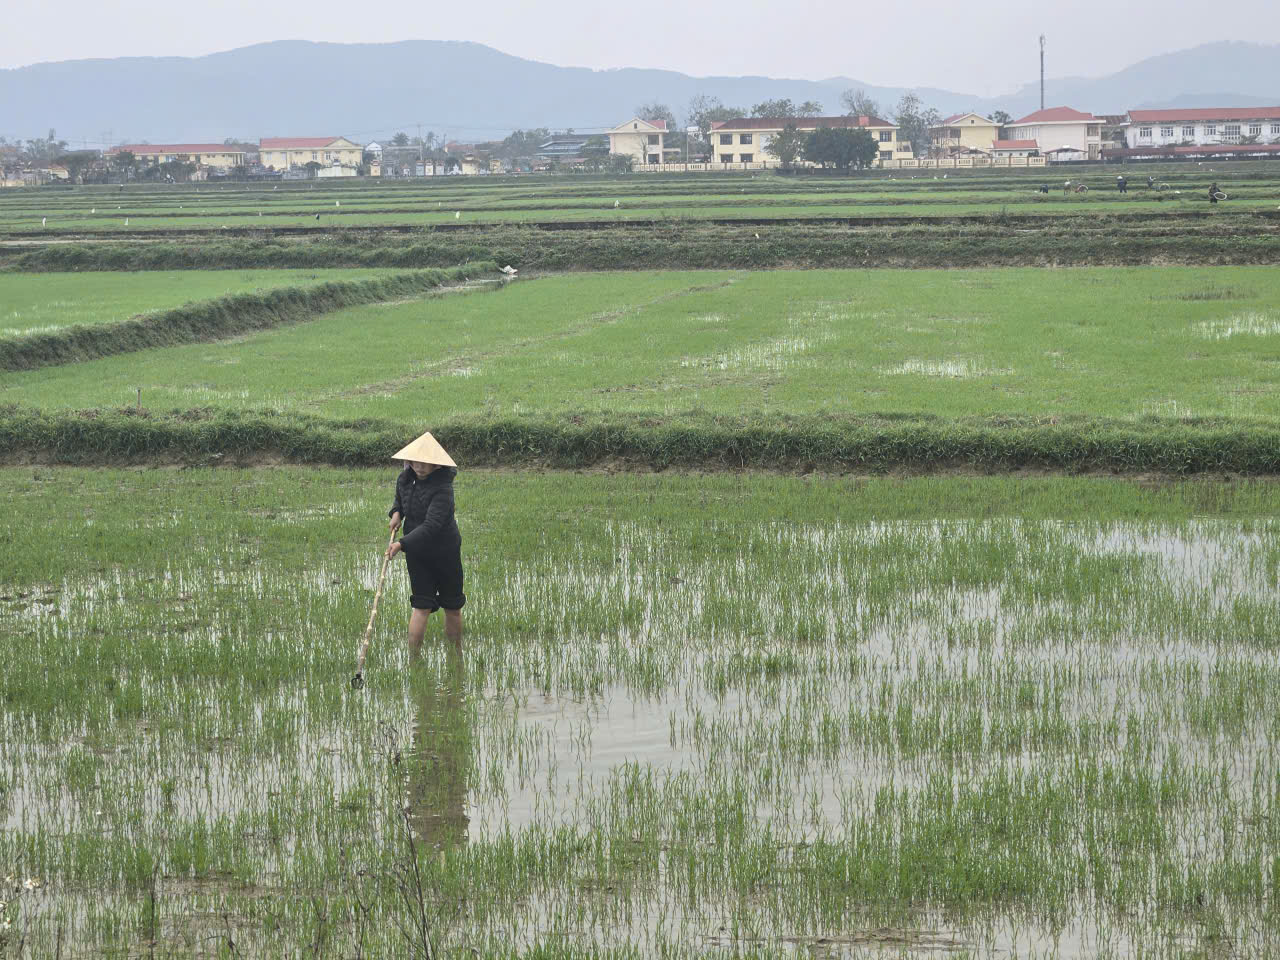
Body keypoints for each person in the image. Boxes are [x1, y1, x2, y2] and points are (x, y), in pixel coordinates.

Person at [386, 431, 465, 656]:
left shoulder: (443, 488)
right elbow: (400, 500)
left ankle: (455, 655)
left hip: (445, 552)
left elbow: (432, 526)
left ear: (436, 465)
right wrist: (396, 513)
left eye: (425, 462)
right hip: (418, 553)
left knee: (452, 607)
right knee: (421, 606)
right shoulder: (404, 478)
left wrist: (401, 544)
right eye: (415, 461)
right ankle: (414, 660)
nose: (419, 466)